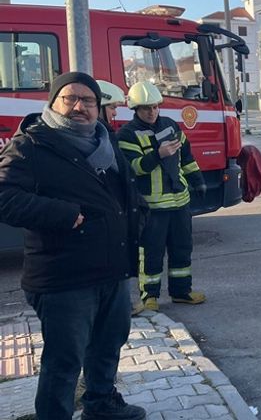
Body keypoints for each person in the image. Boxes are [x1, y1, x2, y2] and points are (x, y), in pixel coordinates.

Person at [0, 72, 145, 420]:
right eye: (71, 98)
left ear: (99, 107)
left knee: (108, 346)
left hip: (111, 270)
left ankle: (100, 404)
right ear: (54, 102)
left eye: (89, 100)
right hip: (64, 277)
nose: (80, 107)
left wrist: (141, 216)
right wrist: (63, 214)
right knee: (64, 361)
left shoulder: (104, 141)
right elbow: (4, 197)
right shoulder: (32, 145)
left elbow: (121, 194)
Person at [118, 82, 206, 311]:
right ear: (135, 109)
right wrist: (158, 154)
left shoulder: (170, 125)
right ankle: (150, 297)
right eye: (146, 108)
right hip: (152, 207)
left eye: (155, 106)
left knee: (182, 248)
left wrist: (197, 180)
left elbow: (186, 157)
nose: (152, 111)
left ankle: (181, 292)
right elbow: (134, 167)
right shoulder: (127, 134)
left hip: (180, 203)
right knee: (151, 253)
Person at [97, 79, 146, 317]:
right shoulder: (100, 138)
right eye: (112, 107)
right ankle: (119, 305)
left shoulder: (104, 134)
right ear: (100, 106)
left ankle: (121, 303)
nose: (116, 112)